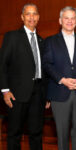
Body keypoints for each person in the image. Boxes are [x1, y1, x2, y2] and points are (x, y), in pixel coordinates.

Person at [43, 6, 76, 150]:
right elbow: (47, 64)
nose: (70, 21)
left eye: (73, 18)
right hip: (59, 92)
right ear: (60, 20)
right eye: (66, 18)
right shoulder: (50, 41)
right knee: (62, 134)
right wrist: (62, 79)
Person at [0, 3, 47, 150]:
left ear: (38, 17)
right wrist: (5, 90)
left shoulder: (41, 41)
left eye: (34, 14)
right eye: (28, 14)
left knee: (37, 133)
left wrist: (46, 95)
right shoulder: (12, 37)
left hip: (38, 94)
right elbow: (2, 65)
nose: (31, 17)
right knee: (14, 133)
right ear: (22, 17)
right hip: (16, 94)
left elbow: (44, 69)